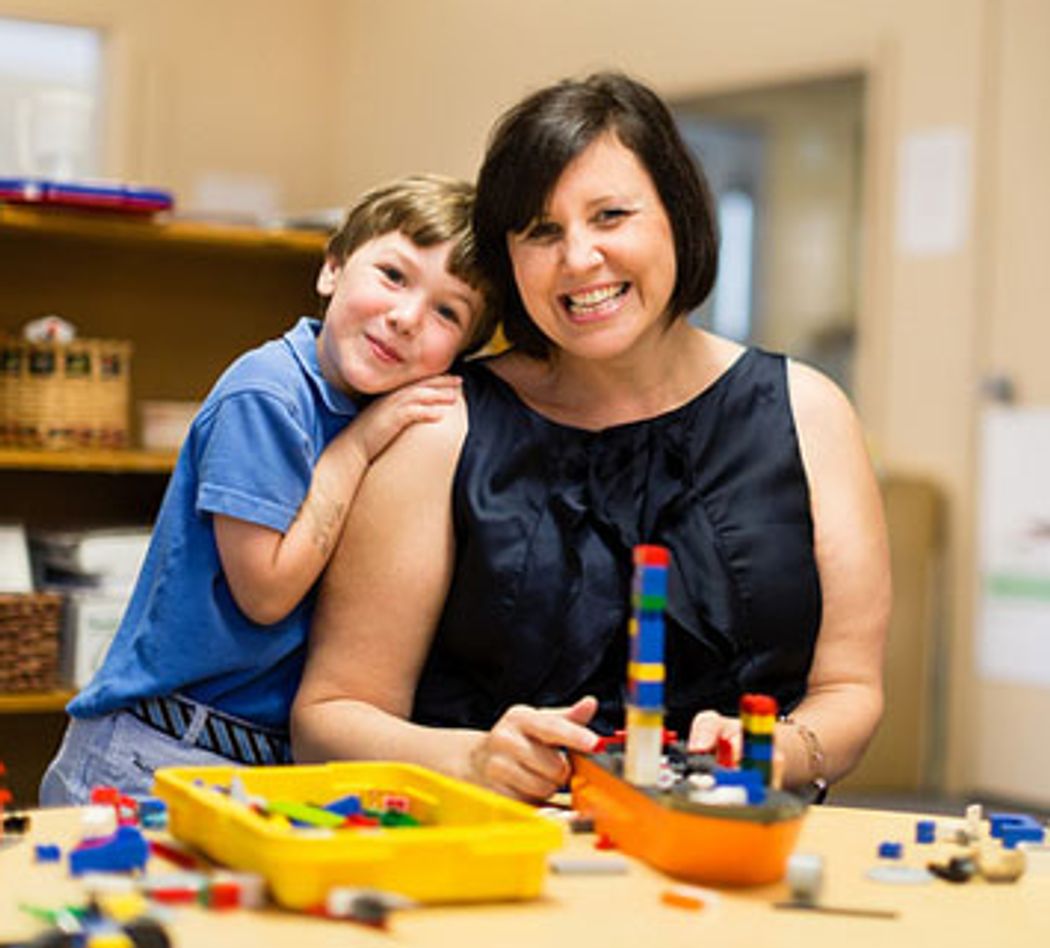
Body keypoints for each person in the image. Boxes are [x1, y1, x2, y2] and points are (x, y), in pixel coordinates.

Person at [291, 72, 891, 803]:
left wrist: (773, 751)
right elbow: (326, 720)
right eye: (542, 232)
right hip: (495, 863)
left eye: (610, 215)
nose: (578, 259)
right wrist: (473, 757)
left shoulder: (811, 413)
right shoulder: (440, 426)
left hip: (737, 857)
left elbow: (849, 689)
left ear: (679, 213)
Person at [40, 174, 498, 805]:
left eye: (448, 311)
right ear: (332, 269)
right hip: (157, 755)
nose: (406, 316)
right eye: (393, 275)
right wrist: (357, 448)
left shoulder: (388, 416)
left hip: (260, 757)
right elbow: (267, 592)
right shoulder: (268, 393)